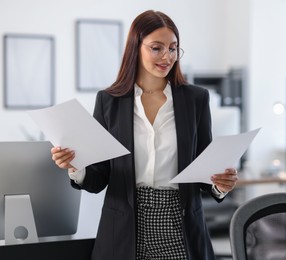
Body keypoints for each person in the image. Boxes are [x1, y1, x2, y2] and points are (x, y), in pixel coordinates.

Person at [51, 10, 238, 260]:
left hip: (179, 225)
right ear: (135, 47)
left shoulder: (196, 100)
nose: (167, 56)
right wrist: (76, 165)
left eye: (173, 48)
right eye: (156, 48)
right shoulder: (109, 102)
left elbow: (204, 171)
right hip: (124, 229)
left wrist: (220, 183)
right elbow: (99, 177)